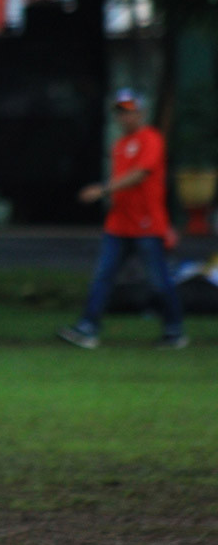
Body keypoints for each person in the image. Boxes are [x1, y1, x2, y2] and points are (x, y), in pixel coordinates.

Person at [57, 88, 188, 350]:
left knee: (159, 282)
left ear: (141, 112)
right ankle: (88, 327)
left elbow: (141, 174)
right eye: (120, 112)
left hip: (147, 224)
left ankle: (174, 331)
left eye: (129, 112)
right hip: (118, 224)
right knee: (102, 277)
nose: (124, 117)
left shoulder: (151, 139)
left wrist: (103, 189)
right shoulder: (118, 145)